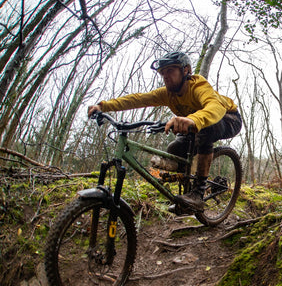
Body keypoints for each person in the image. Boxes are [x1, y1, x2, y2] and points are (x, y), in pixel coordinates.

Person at [87, 51, 242, 211]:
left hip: (228, 118)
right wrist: (103, 106)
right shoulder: (168, 94)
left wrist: (193, 120)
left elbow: (215, 107)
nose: (165, 76)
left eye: (170, 71)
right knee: (174, 150)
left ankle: (198, 193)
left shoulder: (198, 86)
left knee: (206, 131)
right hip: (195, 123)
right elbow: (138, 99)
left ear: (186, 70)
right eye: (163, 73)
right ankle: (186, 201)